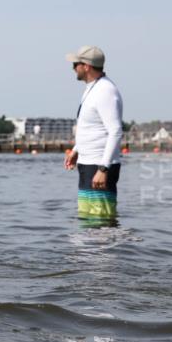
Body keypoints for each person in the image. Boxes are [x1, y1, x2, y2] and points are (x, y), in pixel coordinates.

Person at [63, 46, 123, 224]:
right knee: (87, 221)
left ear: (86, 66)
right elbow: (90, 126)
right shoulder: (92, 88)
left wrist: (103, 169)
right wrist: (76, 150)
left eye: (75, 64)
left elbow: (115, 131)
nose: (73, 68)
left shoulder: (105, 91)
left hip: (99, 165)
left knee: (101, 221)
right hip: (87, 163)